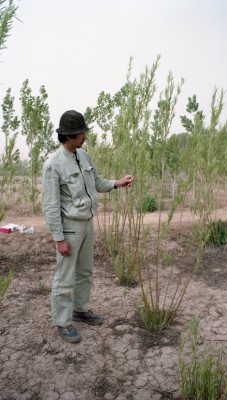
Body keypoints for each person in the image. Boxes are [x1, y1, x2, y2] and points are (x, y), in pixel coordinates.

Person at [42, 110, 134, 343]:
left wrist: (117, 183)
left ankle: (80, 309)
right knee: (65, 276)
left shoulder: (84, 156)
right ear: (69, 135)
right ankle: (62, 322)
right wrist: (59, 238)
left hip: (87, 224)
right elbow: (51, 206)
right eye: (81, 132)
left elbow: (96, 183)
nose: (84, 135)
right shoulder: (53, 165)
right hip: (70, 228)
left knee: (85, 271)